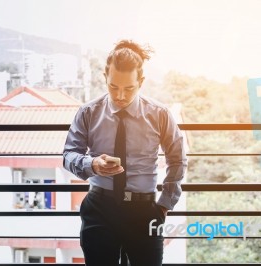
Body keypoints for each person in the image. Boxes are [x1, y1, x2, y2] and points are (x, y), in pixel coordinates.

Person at [63, 40, 188, 266]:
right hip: (100, 208)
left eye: (129, 88)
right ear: (105, 77)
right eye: (113, 87)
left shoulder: (159, 114)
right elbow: (69, 154)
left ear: (141, 82)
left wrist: (164, 205)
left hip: (145, 211)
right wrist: (92, 164)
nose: (120, 95)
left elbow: (177, 159)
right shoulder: (88, 112)